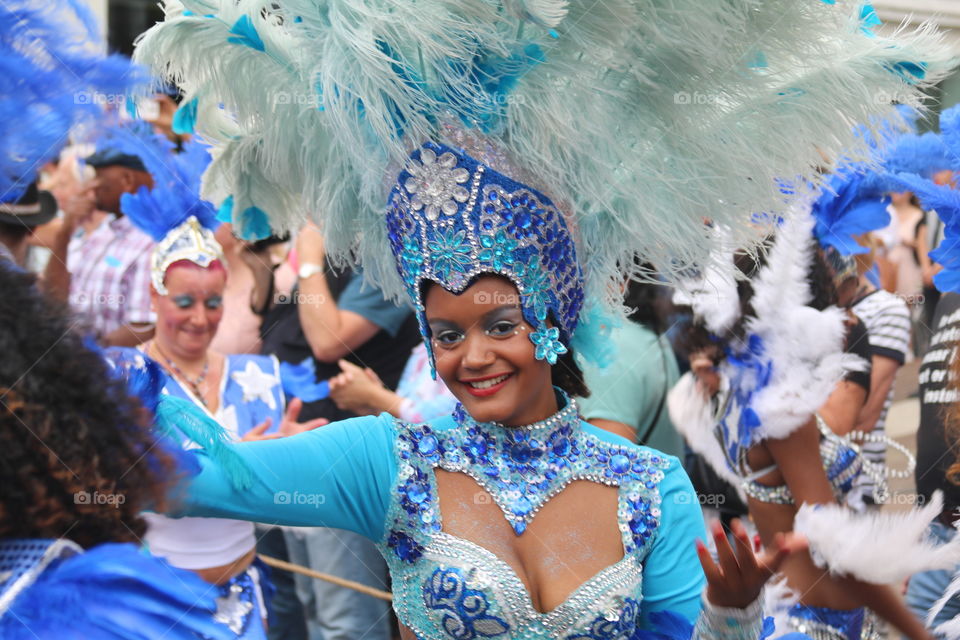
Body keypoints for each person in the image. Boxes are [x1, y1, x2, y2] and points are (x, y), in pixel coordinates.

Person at [135, 0, 953, 636]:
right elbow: (193, 483)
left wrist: (734, 610)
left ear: (552, 322)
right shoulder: (391, 465)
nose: (471, 358)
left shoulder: (646, 487)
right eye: (445, 333)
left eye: (498, 325)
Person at [104, 129, 330, 639]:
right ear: (155, 297)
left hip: (245, 604)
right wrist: (233, 470)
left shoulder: (257, 375)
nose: (199, 318)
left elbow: (280, 505)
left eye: (213, 301)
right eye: (184, 302)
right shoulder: (124, 377)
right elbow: (111, 490)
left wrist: (292, 464)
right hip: (155, 607)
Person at [669, 208, 935, 638]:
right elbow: (832, 544)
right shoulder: (783, 411)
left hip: (802, 615)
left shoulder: (741, 398)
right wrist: (915, 631)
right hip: (816, 626)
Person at [43, 129, 157, 347]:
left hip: (113, 372)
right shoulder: (102, 231)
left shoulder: (151, 241)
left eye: (99, 177)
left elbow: (144, 328)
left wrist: (87, 355)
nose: (92, 186)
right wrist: (64, 233)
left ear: (127, 180)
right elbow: (55, 297)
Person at [579, 274, 684, 458]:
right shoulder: (644, 337)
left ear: (617, 283)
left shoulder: (613, 349)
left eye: (584, 273)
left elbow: (606, 464)